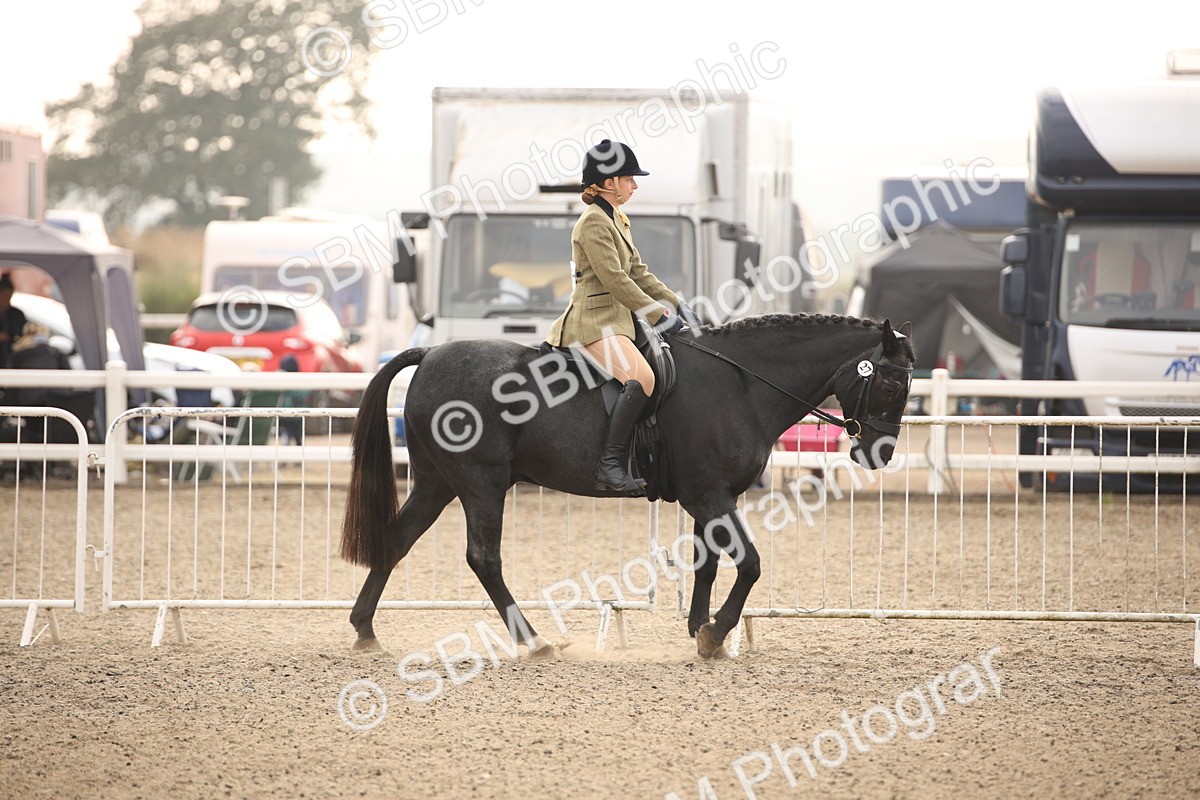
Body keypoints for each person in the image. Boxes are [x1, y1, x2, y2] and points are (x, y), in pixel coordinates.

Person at [546, 139, 685, 495]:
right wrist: (655, 315)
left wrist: (676, 303)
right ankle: (609, 466)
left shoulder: (617, 218)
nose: (634, 186)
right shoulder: (592, 223)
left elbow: (638, 271)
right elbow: (615, 279)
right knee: (642, 377)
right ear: (609, 183)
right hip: (592, 323)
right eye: (629, 179)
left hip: (618, 321)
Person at [0, 274, 29, 370]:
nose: (6, 299)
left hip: (14, 360)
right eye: (4, 296)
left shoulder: (17, 314)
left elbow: (24, 334)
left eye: (9, 296)